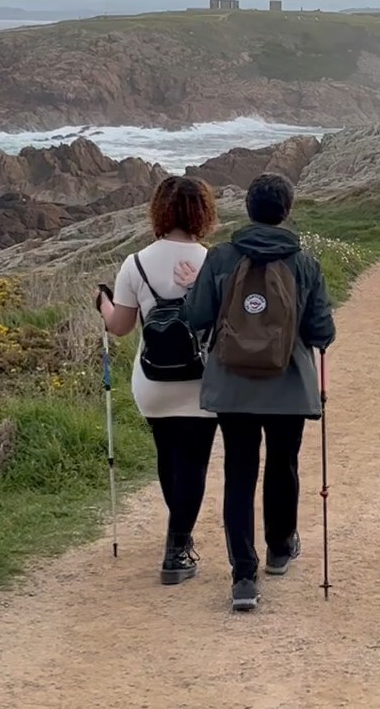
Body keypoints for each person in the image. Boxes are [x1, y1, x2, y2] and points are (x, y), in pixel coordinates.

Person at [174, 172, 336, 612]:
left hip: (233, 387)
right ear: (286, 212)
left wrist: (194, 289)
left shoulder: (222, 258)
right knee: (283, 465)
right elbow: (322, 332)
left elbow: (197, 318)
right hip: (287, 388)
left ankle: (243, 577)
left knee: (240, 475)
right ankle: (280, 549)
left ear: (248, 210)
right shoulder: (305, 263)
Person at [95, 176, 220, 586]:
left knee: (168, 457)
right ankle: (177, 546)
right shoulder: (215, 262)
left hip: (152, 382)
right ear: (203, 213)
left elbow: (121, 327)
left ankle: (178, 535)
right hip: (202, 381)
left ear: (159, 211)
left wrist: (103, 303)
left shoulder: (135, 262)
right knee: (195, 463)